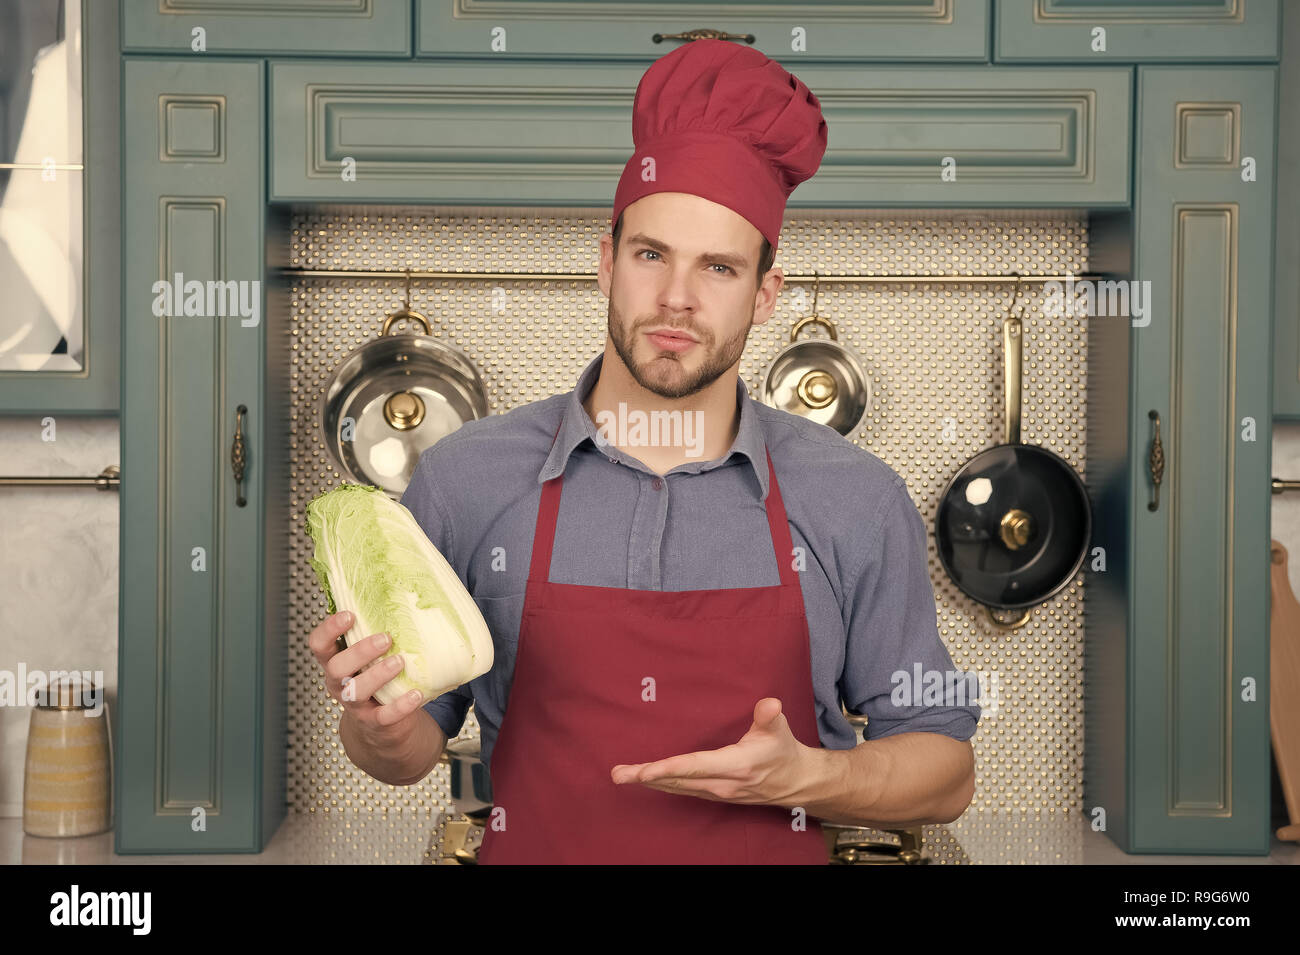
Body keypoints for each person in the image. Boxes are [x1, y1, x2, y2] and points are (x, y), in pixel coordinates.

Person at [308, 38, 978, 865]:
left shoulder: (855, 498)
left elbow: (945, 768)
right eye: (651, 253)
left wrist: (805, 777)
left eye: (719, 268)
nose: (676, 299)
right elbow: (406, 754)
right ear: (607, 261)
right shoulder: (468, 479)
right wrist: (376, 720)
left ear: (766, 294)